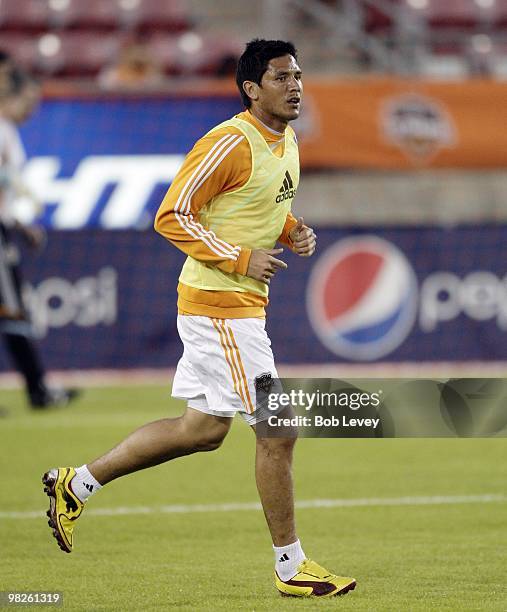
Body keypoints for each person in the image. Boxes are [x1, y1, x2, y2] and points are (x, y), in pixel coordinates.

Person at [42, 39, 356, 598]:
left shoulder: (285, 141)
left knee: (202, 431)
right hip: (219, 306)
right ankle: (292, 567)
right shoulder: (228, 141)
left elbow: (258, 206)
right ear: (251, 89)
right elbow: (171, 215)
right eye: (281, 77)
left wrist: (291, 230)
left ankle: (77, 484)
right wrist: (240, 258)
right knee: (278, 431)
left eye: (299, 75)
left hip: (240, 308)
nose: (295, 86)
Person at [0, 65, 79, 409]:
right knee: (13, 312)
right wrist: (18, 222)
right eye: (29, 100)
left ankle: (38, 388)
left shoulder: (9, 132)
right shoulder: (2, 132)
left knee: (13, 311)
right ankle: (38, 390)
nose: (33, 108)